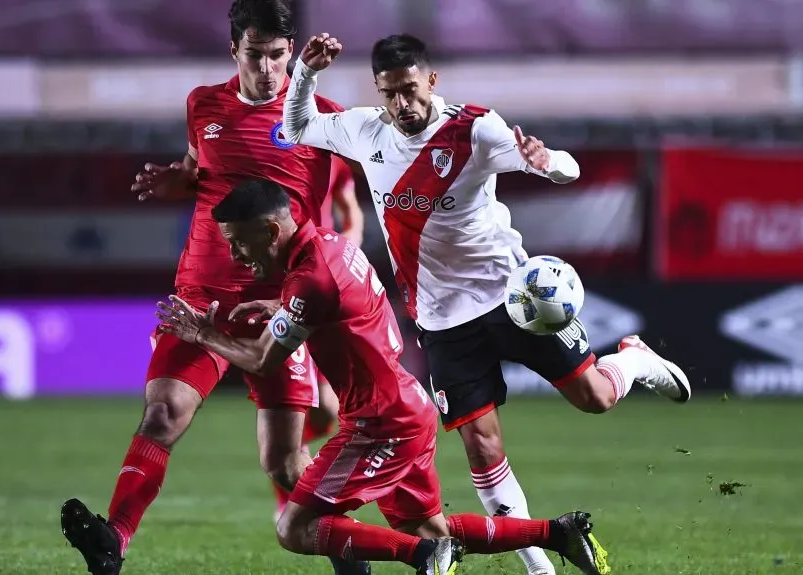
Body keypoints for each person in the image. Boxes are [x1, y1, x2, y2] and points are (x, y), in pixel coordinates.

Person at [281, 33, 691, 575]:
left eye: (409, 90)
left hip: (512, 298)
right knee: (481, 444)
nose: (402, 105)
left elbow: (567, 168)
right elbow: (296, 127)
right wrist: (306, 75)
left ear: (432, 81)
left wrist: (547, 163)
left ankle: (634, 358)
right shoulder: (366, 130)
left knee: (594, 397)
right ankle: (538, 567)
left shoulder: (474, 129)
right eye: (389, 94)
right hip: (442, 320)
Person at [154, 178, 611, 575]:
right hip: (405, 406)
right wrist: (284, 309)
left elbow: (263, 360)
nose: (234, 253)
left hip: (379, 423)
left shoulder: (311, 278)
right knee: (429, 528)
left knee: (294, 529)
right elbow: (344, 309)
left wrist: (203, 333)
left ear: (271, 230)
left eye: (239, 241)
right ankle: (559, 533)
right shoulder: (330, 247)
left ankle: (424, 558)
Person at [58, 2, 370, 574]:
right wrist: (182, 179)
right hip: (200, 297)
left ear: (292, 53)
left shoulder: (324, 120)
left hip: (279, 305)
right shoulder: (204, 105)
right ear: (235, 51)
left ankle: (351, 551)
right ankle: (114, 541)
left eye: (279, 55)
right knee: (162, 415)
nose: (269, 68)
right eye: (257, 54)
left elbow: (356, 191)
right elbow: (200, 167)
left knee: (283, 464)